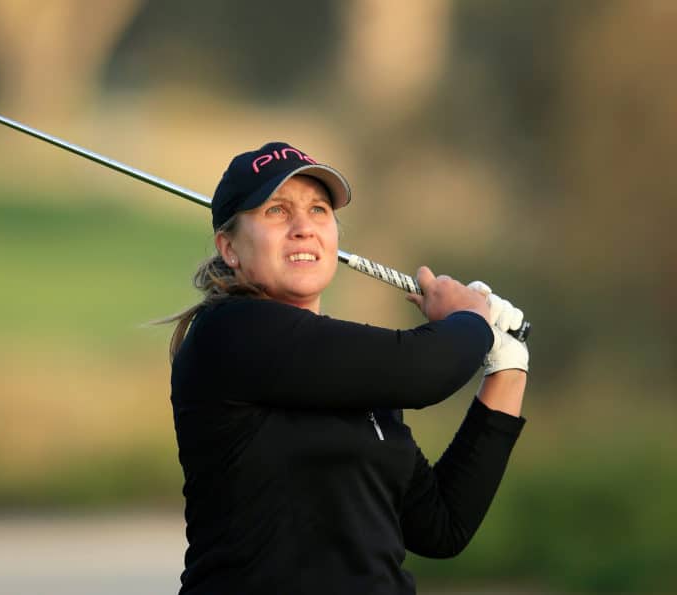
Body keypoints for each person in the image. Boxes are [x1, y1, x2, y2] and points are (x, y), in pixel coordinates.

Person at [167, 141, 528, 594]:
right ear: (230, 247)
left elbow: (442, 526)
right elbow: (422, 372)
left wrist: (508, 365)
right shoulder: (230, 333)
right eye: (277, 211)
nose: (303, 228)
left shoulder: (348, 364)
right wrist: (471, 319)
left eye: (319, 210)